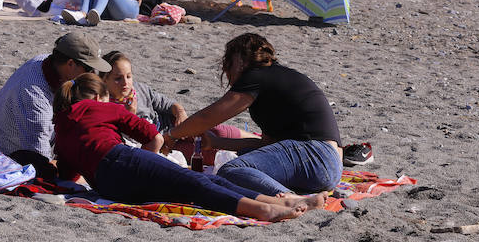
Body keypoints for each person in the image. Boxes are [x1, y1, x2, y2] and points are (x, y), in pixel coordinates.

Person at [52, 73, 318, 221]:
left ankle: (278, 201)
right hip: (122, 160)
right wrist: (147, 163)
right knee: (196, 182)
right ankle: (266, 208)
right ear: (98, 96)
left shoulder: (61, 131)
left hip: (109, 187)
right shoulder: (103, 107)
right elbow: (154, 136)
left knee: (190, 188)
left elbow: (67, 177)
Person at [165, 33, 343, 197]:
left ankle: (290, 199)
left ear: (240, 60)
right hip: (330, 167)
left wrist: (170, 135)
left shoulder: (256, 77)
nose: (226, 70)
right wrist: (216, 143)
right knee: (246, 157)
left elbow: (207, 118)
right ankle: (291, 194)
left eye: (229, 62)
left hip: (315, 156)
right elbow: (266, 144)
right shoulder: (278, 78)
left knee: (230, 170)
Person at [0, 31, 111, 179]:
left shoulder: (43, 61)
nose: (92, 73)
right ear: (70, 64)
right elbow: (41, 163)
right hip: (20, 155)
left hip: (26, 140)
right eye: (89, 69)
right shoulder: (35, 98)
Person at [100, 51, 252, 167]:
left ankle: (258, 139)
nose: (125, 83)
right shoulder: (107, 107)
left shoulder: (139, 89)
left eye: (129, 76)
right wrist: (130, 116)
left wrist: (180, 113)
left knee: (217, 132)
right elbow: (130, 143)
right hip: (162, 145)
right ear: (104, 80)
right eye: (118, 78)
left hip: (174, 127)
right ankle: (252, 155)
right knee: (209, 153)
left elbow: (168, 104)